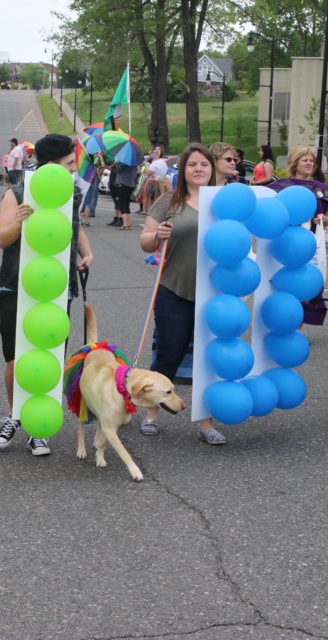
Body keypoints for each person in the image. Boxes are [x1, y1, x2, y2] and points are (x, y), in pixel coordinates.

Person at [0, 134, 95, 456]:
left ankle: (40, 427)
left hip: (56, 287)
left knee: (49, 357)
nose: (71, 170)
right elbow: (1, 239)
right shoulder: (17, 192)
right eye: (67, 164)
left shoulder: (68, 193)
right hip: (17, 285)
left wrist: (86, 253)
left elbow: (74, 227)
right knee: (16, 357)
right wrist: (22, 222)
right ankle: (15, 415)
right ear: (50, 164)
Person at [138, 142, 227, 445]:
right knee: (169, 351)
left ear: (212, 169)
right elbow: (145, 242)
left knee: (208, 357)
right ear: (183, 170)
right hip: (173, 289)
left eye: (204, 164)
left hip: (215, 294)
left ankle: (205, 423)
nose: (199, 169)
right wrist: (157, 235)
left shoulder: (224, 203)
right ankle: (151, 412)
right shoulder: (169, 202)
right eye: (193, 165)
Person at [268, 144, 328, 325]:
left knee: (305, 287)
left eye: (312, 161)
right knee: (284, 288)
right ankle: (284, 324)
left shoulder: (322, 189)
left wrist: (323, 218)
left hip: (310, 247)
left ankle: (296, 327)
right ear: (295, 162)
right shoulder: (279, 188)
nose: (309, 163)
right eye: (305, 160)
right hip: (285, 246)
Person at [112, 161, 138, 230]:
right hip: (131, 184)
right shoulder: (134, 162)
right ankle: (129, 223)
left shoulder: (123, 161)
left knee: (122, 205)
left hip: (123, 184)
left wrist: (116, 163)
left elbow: (119, 170)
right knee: (127, 204)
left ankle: (125, 224)